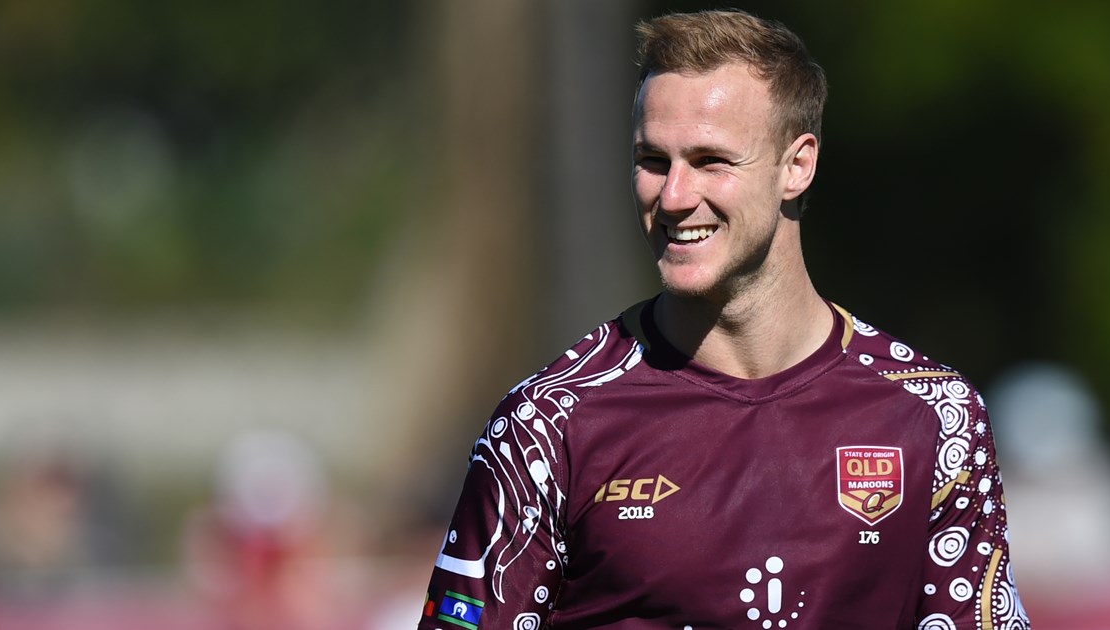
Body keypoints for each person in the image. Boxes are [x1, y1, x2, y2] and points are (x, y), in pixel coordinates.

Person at [418, 9, 1027, 630]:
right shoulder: (548, 427)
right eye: (653, 160)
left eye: (711, 160)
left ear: (797, 166)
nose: (674, 196)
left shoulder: (935, 416)